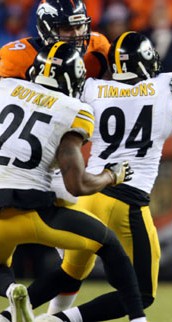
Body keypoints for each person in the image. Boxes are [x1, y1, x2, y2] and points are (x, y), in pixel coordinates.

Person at [29, 31, 172, 322]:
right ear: (145, 62)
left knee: (69, 272)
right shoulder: (164, 89)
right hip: (126, 199)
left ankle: (7, 315)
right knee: (142, 294)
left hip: (89, 196)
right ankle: (56, 321)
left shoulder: (91, 89)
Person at [0, 41, 145, 322]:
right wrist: (111, 175)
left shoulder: (4, 88)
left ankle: (11, 294)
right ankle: (139, 319)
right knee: (108, 243)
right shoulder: (72, 108)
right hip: (34, 212)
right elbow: (77, 184)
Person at [0, 0, 110, 80]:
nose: (76, 34)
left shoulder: (98, 47)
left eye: (79, 26)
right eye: (67, 28)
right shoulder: (17, 57)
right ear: (45, 29)